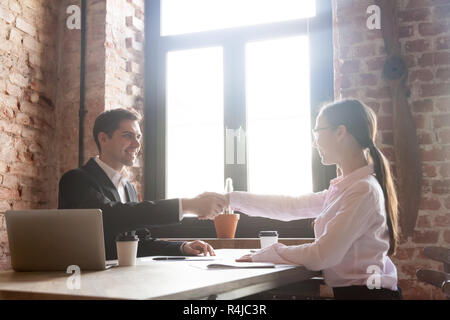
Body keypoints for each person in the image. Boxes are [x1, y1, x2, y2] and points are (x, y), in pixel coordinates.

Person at [226, 99, 403, 300]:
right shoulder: (347, 188)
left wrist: (268, 253)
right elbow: (290, 207)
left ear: (340, 132)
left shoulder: (363, 190)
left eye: (317, 131)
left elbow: (322, 255)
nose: (314, 141)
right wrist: (229, 200)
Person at [58, 108, 226, 260]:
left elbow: (140, 243)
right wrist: (186, 205)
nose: (137, 144)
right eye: (127, 135)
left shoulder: (128, 188)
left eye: (138, 136)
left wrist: (182, 247)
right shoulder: (75, 180)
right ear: (103, 138)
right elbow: (109, 216)